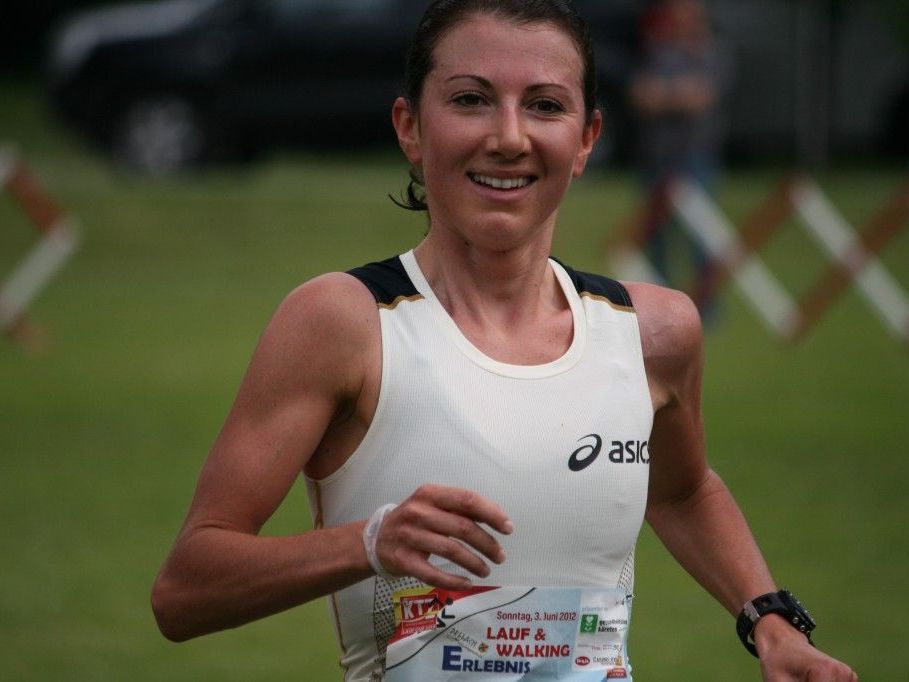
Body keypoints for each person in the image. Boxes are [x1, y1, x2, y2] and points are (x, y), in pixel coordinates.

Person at [151, 1, 857, 680]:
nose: (509, 137)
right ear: (410, 127)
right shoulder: (344, 323)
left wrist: (771, 623)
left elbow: (682, 492)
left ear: (586, 139)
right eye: (471, 100)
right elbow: (184, 592)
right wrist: (368, 543)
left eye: (545, 105)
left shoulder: (652, 332)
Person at [628, 0, 729, 317]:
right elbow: (641, 95)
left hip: (696, 157)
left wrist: (663, 94)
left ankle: (706, 309)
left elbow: (700, 98)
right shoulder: (659, 51)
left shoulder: (712, 54)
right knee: (655, 236)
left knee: (701, 237)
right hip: (657, 159)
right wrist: (677, 94)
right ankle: (658, 307)